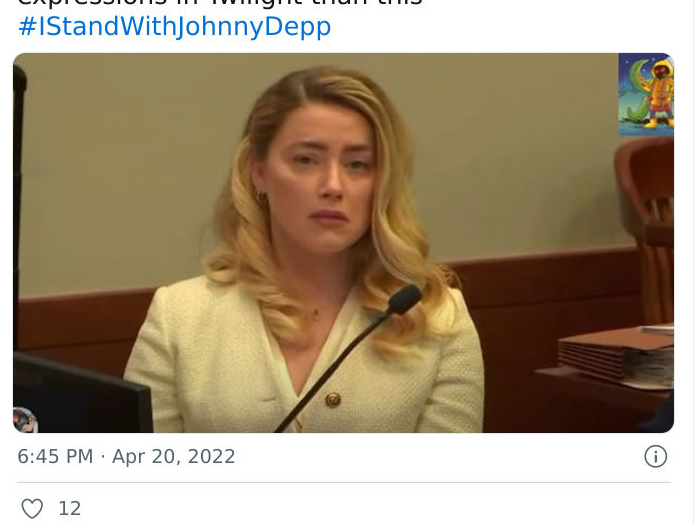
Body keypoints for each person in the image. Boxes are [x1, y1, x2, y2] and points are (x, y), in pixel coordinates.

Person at [124, 66, 484, 432]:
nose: (333, 185)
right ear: (259, 172)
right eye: (306, 160)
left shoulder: (437, 318)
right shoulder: (178, 318)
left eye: (357, 164)